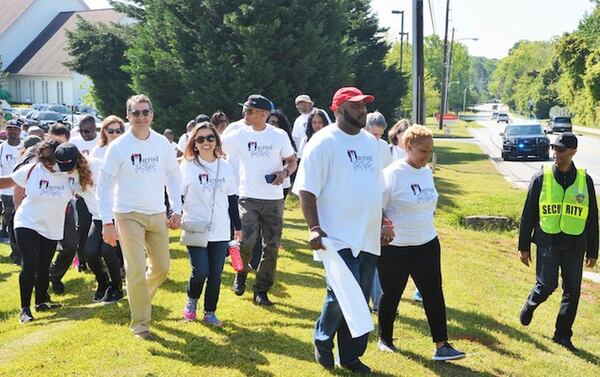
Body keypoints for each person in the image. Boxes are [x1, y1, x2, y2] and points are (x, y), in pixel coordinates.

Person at [296, 87, 386, 373]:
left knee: (360, 296)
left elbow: (375, 187)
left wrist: (383, 222)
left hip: (368, 234)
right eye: (355, 106)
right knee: (340, 293)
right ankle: (323, 340)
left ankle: (350, 355)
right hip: (335, 235)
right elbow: (307, 191)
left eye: (363, 106)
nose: (363, 111)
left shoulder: (371, 144)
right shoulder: (323, 142)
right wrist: (314, 228)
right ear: (338, 110)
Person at [97, 94, 182, 339]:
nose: (141, 117)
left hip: (157, 213)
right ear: (128, 116)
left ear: (152, 115)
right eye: (136, 113)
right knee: (135, 269)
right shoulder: (118, 146)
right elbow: (104, 186)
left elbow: (173, 178)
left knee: (162, 267)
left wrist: (177, 209)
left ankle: (140, 296)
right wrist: (107, 222)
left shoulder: (162, 144)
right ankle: (141, 325)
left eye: (145, 112)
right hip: (127, 214)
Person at [378, 124, 466, 361]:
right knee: (392, 293)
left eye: (429, 151)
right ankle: (385, 339)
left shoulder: (426, 172)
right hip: (395, 247)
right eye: (422, 151)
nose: (427, 156)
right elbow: (376, 207)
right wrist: (384, 224)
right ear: (408, 147)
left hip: (426, 242)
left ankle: (442, 345)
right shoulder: (393, 174)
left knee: (433, 293)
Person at [518, 132, 598, 352]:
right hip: (548, 241)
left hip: (575, 244)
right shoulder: (541, 177)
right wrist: (523, 246)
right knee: (546, 285)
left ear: (573, 151)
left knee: (572, 291)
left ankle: (562, 335)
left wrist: (593, 250)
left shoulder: (585, 180)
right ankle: (530, 305)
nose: (556, 152)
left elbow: (592, 218)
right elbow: (528, 214)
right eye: (554, 148)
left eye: (560, 149)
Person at [0, 141, 93, 324]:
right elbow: (6, 181)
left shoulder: (69, 174)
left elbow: (89, 188)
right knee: (30, 264)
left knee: (44, 265)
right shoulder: (32, 169)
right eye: (45, 161)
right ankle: (24, 309)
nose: (48, 165)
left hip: (52, 226)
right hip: (27, 221)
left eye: (51, 161)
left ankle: (41, 301)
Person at [222, 94, 297, 306]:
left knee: (271, 246)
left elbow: (292, 160)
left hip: (273, 199)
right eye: (245, 109)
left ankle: (262, 290)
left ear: (264, 114)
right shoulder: (237, 133)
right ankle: (239, 272)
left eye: (250, 110)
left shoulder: (278, 135)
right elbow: (216, 149)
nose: (245, 113)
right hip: (246, 196)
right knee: (244, 242)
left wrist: (284, 173)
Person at [180, 122, 241, 325]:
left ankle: (210, 312)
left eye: (210, 138)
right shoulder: (187, 167)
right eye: (201, 139)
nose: (206, 142)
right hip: (195, 227)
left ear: (216, 141)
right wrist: (175, 214)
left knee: (215, 274)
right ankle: (191, 301)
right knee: (201, 271)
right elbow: (178, 196)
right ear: (194, 144)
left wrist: (237, 227)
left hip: (221, 229)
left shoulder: (225, 166)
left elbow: (232, 199)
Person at [0, 121, 23, 264]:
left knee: (19, 222)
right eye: (10, 129)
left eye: (15, 129)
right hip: (7, 193)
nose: (13, 131)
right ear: (6, 131)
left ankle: (20, 252)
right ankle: (15, 252)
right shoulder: (2, 148)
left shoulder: (24, 147)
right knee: (9, 222)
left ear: (20, 131)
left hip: (22, 190)